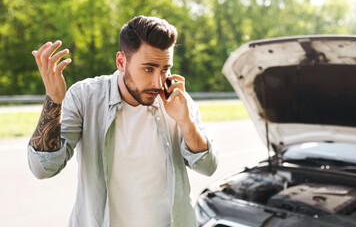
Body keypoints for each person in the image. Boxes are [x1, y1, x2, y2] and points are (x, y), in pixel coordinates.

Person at [27, 16, 218, 227]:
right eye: (148, 69)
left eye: (165, 69)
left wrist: (185, 121)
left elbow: (208, 167)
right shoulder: (85, 96)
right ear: (121, 62)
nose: (158, 82)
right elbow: (43, 168)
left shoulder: (176, 99)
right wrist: (54, 100)